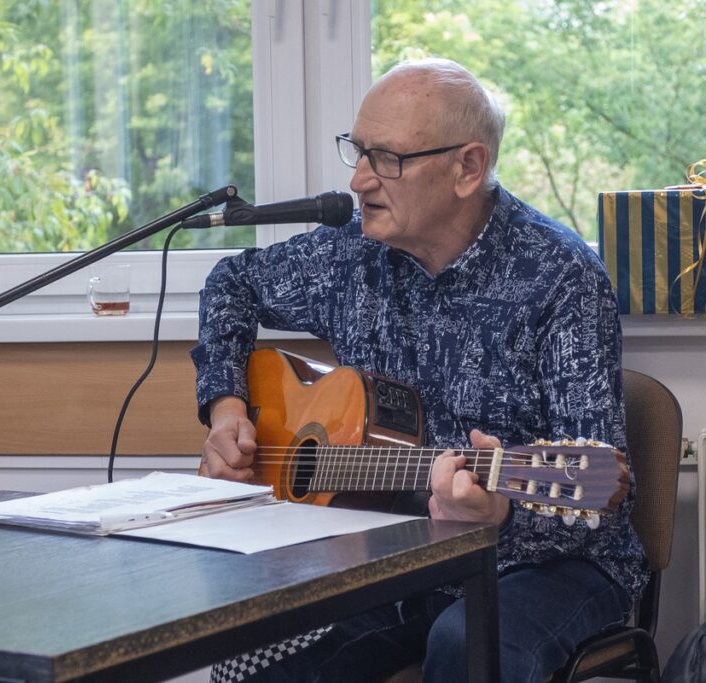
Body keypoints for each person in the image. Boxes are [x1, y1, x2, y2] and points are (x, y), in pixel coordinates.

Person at [189, 57, 648, 683]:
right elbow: (230, 283)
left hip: (549, 566)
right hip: (394, 554)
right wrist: (228, 409)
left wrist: (503, 515)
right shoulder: (353, 254)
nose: (359, 183)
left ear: (468, 168)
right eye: (358, 152)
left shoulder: (559, 277)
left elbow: (599, 494)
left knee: (469, 643)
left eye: (389, 159)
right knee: (255, 650)